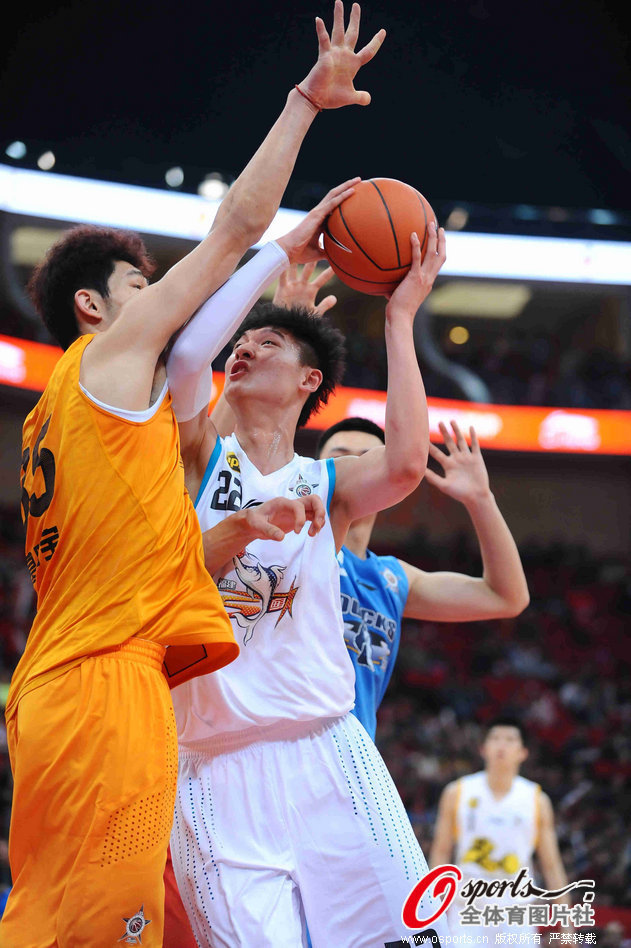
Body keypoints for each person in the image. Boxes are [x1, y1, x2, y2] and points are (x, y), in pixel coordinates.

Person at [1, 3, 386, 943]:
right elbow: (233, 228)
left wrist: (236, 530)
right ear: (95, 306)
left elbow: (189, 383)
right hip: (99, 689)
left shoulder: (76, 409)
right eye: (141, 286)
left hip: (66, 681)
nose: (160, 298)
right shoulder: (110, 354)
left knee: (66, 919)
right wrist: (303, 106)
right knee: (98, 929)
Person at [164, 176, 448, 941]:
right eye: (241, 342)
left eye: (268, 344)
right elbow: (189, 357)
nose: (244, 347)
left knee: (405, 938)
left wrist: (400, 318)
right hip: (213, 766)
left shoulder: (326, 480)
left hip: (327, 752)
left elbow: (406, 463)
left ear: (309, 380)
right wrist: (270, 291)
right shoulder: (198, 457)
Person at [318, 415, 530, 739]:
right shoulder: (291, 548)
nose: (354, 469)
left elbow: (507, 597)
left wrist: (480, 500)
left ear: (388, 481)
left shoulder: (392, 577)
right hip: (284, 754)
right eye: (339, 458)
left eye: (367, 461)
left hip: (353, 759)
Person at [430, 717, 571, 944]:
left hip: (517, 913)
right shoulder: (457, 792)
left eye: (510, 739)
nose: (501, 745)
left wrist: (567, 924)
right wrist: (432, 915)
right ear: (483, 749)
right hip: (468, 910)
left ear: (523, 752)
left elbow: (552, 865)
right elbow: (440, 854)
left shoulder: (536, 799)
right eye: (495, 738)